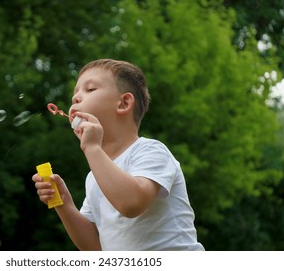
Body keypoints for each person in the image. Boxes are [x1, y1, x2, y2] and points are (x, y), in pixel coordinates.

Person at [32, 58, 204, 251]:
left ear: (124, 103)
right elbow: (94, 247)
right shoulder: (95, 177)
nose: (75, 98)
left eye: (89, 89)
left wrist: (92, 148)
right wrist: (63, 202)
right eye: (75, 93)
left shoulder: (151, 151)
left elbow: (131, 204)